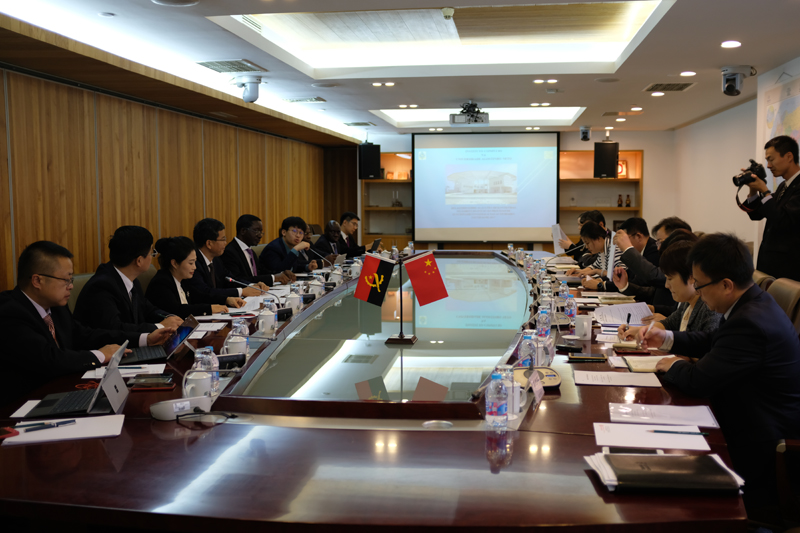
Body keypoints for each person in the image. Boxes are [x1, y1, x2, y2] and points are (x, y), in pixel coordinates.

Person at [641, 233, 800, 513]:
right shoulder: (753, 303)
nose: (698, 293)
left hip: (757, 446)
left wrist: (673, 364)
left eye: (700, 286)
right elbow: (715, 340)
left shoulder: (751, 323)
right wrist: (666, 338)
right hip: (747, 417)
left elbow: (698, 381)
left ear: (726, 285)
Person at [0, 241, 174, 406]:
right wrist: (99, 355)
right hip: (21, 406)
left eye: (71, 280)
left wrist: (145, 339)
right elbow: (49, 359)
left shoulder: (55, 307)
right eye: (66, 280)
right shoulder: (10, 313)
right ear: (37, 281)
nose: (70, 286)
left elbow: (84, 335)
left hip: (61, 392)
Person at [73, 226, 183, 333]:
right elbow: (115, 328)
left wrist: (171, 318)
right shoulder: (101, 286)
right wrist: (160, 326)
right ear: (139, 261)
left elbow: (147, 309)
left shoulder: (132, 279)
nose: (152, 257)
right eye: (151, 253)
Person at [617, 239, 721, 339]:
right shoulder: (687, 303)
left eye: (670, 278)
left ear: (691, 277)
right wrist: (636, 330)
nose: (667, 285)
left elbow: (703, 347)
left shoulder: (709, 309)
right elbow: (669, 323)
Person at [743, 135, 800, 281]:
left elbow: (782, 220)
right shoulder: (783, 186)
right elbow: (756, 215)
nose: (768, 165)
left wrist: (764, 190)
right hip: (770, 266)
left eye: (771, 159)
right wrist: (753, 190)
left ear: (789, 156)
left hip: (789, 269)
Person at [145, 236, 231, 318]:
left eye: (195, 262)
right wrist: (209, 308)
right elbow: (177, 310)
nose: (195, 267)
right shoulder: (161, 283)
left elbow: (201, 296)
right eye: (191, 263)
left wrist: (226, 299)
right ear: (174, 263)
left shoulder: (182, 280)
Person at [183, 218, 260, 306]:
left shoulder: (216, 260)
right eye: (223, 239)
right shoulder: (194, 263)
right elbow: (205, 292)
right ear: (209, 244)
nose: (225, 243)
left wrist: (252, 285)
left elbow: (230, 279)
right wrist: (241, 292)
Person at [221, 214, 294, 286]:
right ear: (243, 231)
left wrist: (281, 274)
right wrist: (273, 278)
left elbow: (260, 273)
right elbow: (238, 280)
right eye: (256, 231)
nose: (260, 235)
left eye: (261, 232)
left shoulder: (251, 251)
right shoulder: (229, 252)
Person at [594, 217, 659, 293]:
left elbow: (637, 282)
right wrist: (601, 280)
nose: (620, 245)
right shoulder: (641, 251)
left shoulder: (655, 251)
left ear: (638, 236)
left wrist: (602, 285)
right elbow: (628, 275)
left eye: (624, 239)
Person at [566, 221, 624, 289]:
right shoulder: (602, 249)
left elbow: (618, 276)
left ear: (598, 238)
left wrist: (597, 273)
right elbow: (595, 266)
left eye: (587, 243)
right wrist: (578, 271)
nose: (586, 247)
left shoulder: (614, 248)